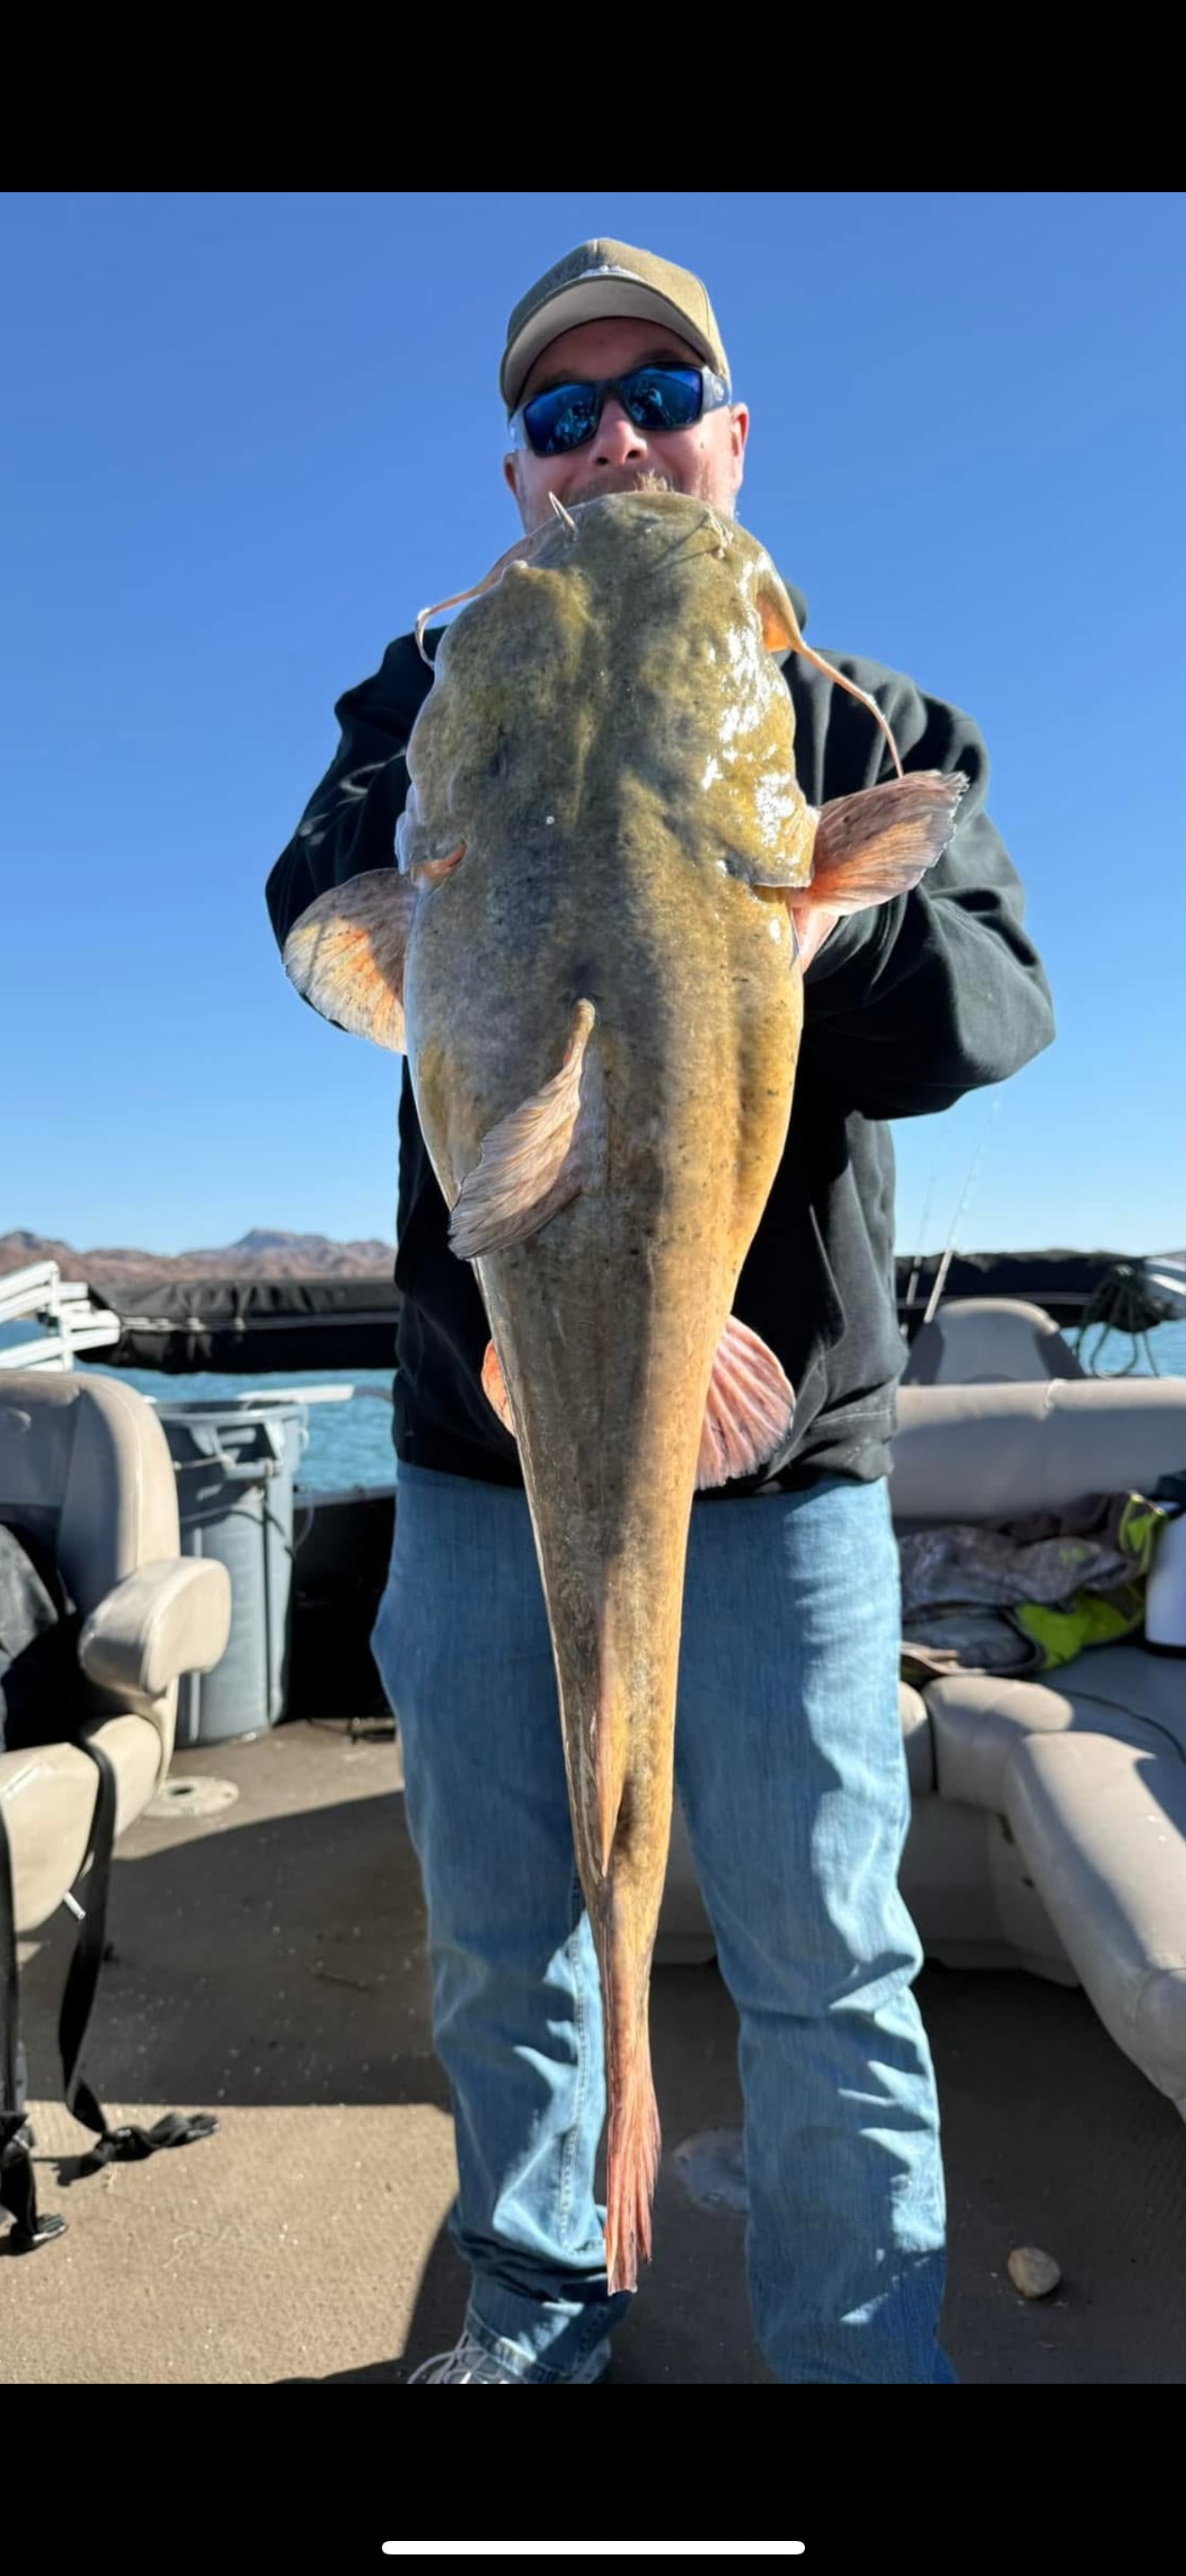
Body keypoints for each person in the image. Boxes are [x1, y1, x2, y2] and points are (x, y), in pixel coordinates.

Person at [266, 238, 1055, 2385]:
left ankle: (860, 2343)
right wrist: (461, 761)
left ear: (729, 431)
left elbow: (997, 1004)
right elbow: (316, 905)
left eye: (656, 392)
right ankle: (531, 2305)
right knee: (495, 1927)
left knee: (823, 1952)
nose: (612, 435)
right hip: (474, 1429)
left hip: (779, 1433)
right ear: (520, 473)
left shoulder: (859, 718)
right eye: (560, 412)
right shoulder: (436, 690)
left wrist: (776, 925)